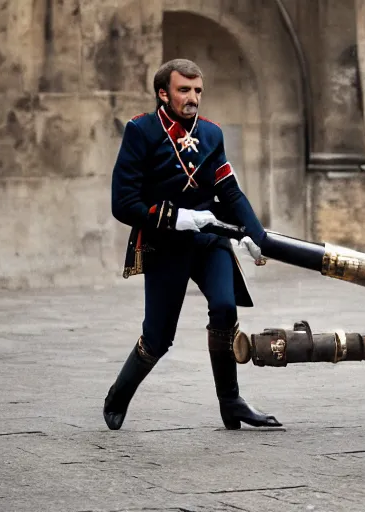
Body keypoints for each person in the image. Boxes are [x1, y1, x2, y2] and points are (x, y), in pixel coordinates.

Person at [103, 58, 281, 431]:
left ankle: (231, 403)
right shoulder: (141, 131)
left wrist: (254, 234)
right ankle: (118, 394)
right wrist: (175, 218)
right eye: (184, 90)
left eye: (198, 90)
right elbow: (123, 203)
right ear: (163, 93)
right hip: (165, 243)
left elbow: (228, 190)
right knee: (157, 338)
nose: (193, 98)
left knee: (224, 306)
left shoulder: (212, 134)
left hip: (209, 237)